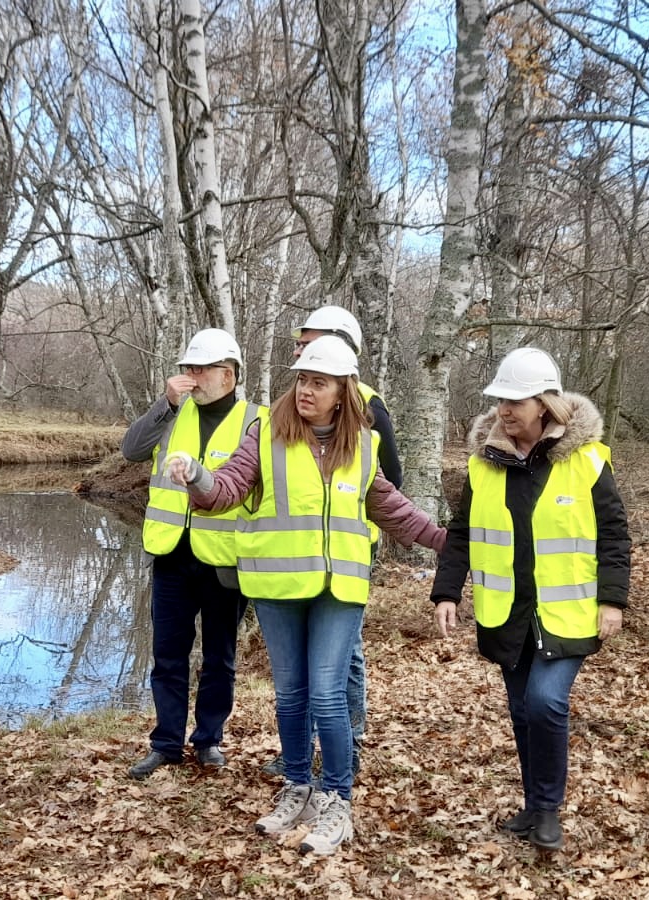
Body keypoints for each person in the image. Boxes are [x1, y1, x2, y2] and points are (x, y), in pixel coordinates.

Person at [167, 335, 445, 856]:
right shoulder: (265, 433)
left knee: (326, 693)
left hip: (338, 588)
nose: (306, 391)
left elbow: (391, 507)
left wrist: (452, 547)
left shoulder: (362, 444)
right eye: (302, 380)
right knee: (291, 694)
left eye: (319, 382)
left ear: (343, 391)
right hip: (276, 585)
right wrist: (197, 478)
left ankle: (337, 798)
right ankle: (298, 785)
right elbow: (225, 490)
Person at [430, 348, 632, 852]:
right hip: (507, 613)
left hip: (567, 612)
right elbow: (461, 533)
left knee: (545, 702)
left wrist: (613, 600)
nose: (505, 409)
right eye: (500, 399)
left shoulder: (586, 462)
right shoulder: (484, 465)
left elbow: (613, 533)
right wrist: (447, 591)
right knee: (522, 710)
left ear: (544, 404)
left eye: (516, 400)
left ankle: (547, 810)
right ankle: (533, 804)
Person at [263, 305, 402, 779]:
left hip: (346, 553)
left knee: (343, 664)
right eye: (301, 345)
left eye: (312, 340)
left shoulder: (368, 409)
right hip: (298, 560)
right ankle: (301, 760)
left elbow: (386, 488)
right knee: (303, 680)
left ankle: (348, 745)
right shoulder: (288, 413)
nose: (302, 350)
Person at [120, 328, 262, 780]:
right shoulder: (173, 413)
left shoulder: (256, 420)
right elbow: (131, 450)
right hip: (171, 554)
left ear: (229, 374)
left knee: (219, 657)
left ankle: (209, 741)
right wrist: (164, 404)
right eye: (188, 369)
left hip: (224, 560)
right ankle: (165, 744)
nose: (193, 377)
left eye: (202, 369)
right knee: (168, 654)